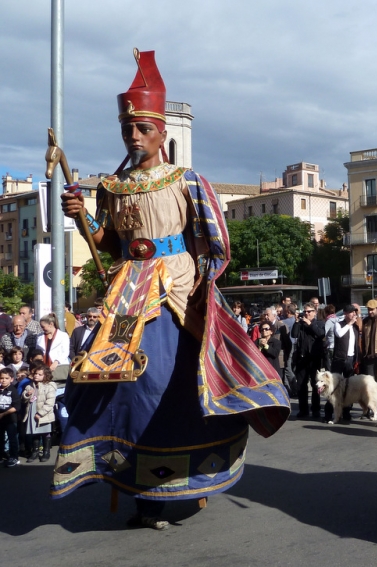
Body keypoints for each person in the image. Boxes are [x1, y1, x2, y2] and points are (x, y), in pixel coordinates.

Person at [57, 49, 289, 529]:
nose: (135, 137)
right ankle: (124, 474)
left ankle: (179, 476)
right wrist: (84, 219)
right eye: (128, 130)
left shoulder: (188, 181)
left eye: (143, 129)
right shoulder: (112, 186)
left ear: (162, 132)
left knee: (171, 380)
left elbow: (214, 243)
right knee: (105, 383)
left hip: (177, 285)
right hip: (126, 291)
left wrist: (202, 283)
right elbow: (108, 242)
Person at [324, 304, 360, 422]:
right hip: (339, 359)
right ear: (345, 313)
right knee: (333, 386)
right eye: (351, 312)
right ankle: (328, 413)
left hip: (350, 359)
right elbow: (339, 334)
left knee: (348, 387)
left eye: (354, 312)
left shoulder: (355, 327)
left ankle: (346, 412)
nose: (354, 314)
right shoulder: (339, 324)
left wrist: (356, 359)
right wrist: (349, 324)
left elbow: (355, 344)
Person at [291, 302, 325, 418]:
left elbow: (321, 334)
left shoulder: (319, 323)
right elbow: (294, 335)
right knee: (301, 385)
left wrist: (310, 324)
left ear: (314, 313)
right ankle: (303, 410)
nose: (306, 314)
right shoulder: (300, 324)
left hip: (314, 358)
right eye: (305, 311)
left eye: (309, 311)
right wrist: (296, 322)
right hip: (302, 358)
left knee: (315, 384)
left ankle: (315, 409)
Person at [22, 365, 57, 463]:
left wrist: (41, 413)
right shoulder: (30, 385)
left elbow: (50, 402)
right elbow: (23, 399)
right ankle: (35, 451)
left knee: (45, 432)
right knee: (34, 433)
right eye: (35, 374)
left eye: (39, 374)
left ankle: (46, 451)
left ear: (45, 376)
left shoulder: (50, 385)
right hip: (31, 411)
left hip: (43, 413)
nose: (36, 376)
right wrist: (27, 395)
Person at [0, 368, 21, 467]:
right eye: (1, 378)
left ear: (11, 379)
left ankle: (14, 457)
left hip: (10, 419)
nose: (3, 380)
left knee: (12, 438)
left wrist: (4, 414)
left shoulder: (13, 390)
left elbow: (16, 407)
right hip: (1, 419)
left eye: (6, 378)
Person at [323, 303, 337, 370]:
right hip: (337, 345)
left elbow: (323, 333)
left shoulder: (329, 321)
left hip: (330, 345)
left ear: (326, 313)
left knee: (330, 365)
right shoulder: (337, 319)